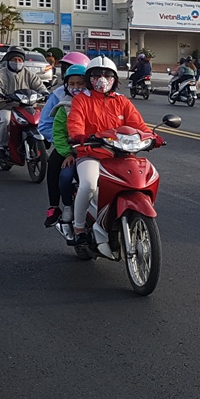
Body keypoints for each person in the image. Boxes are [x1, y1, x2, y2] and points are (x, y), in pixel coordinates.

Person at [64, 56, 157, 255]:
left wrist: (153, 136)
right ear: (89, 78)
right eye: (97, 75)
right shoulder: (81, 99)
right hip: (91, 153)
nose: (102, 79)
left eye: (107, 75)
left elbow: (137, 124)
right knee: (88, 184)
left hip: (120, 154)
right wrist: (79, 136)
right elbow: (75, 122)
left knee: (141, 178)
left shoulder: (122, 101)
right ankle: (79, 228)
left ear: (115, 78)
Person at [38, 51, 91, 226]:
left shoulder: (98, 97)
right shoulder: (60, 98)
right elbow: (46, 125)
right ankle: (55, 206)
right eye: (67, 70)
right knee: (55, 166)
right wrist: (66, 148)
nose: (76, 86)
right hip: (66, 145)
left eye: (81, 82)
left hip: (94, 147)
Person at [0, 48, 48, 154]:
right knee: (5, 121)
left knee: (41, 119)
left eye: (20, 60)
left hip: (28, 106)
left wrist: (45, 93)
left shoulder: (29, 74)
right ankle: (1, 147)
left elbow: (40, 86)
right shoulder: (0, 74)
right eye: (14, 60)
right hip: (7, 106)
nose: (17, 62)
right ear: (9, 60)